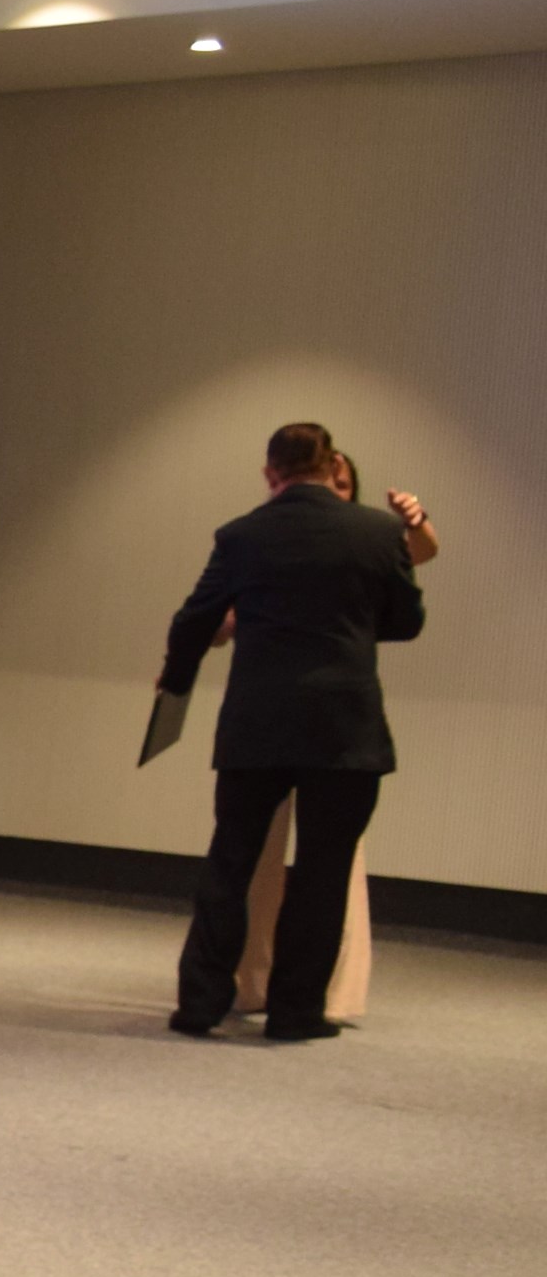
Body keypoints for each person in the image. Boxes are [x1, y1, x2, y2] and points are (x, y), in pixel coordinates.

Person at [164, 420, 432, 1042]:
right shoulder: (379, 532)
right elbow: (408, 621)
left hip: (257, 721)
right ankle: (295, 1012)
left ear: (271, 472)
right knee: (323, 869)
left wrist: (177, 680)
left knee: (230, 862)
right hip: (345, 723)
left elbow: (194, 619)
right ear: (332, 465)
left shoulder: (240, 536)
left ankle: (201, 1002)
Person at [232, 443, 443, 1022]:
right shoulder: (266, 540)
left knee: (333, 864)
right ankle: (251, 979)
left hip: (337, 721)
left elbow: (420, 551)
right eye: (331, 481)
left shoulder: (367, 541)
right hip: (270, 716)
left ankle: (328, 991)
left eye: (345, 484)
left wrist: (416, 519)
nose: (336, 493)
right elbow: (227, 612)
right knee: (258, 854)